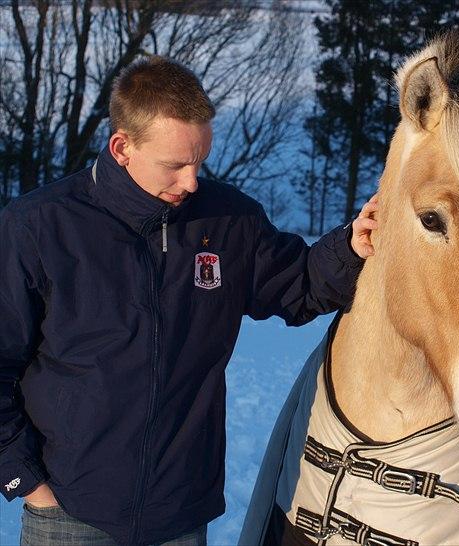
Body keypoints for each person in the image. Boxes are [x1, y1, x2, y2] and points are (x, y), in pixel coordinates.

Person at [0, 56, 377, 546]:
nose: (192, 182)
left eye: (200, 161)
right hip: (69, 514)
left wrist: (350, 245)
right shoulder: (39, 227)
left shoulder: (229, 221)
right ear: (122, 148)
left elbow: (299, 285)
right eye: (174, 165)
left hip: (180, 514)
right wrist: (26, 482)